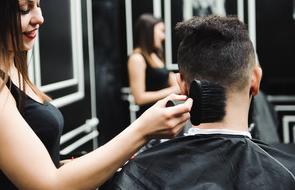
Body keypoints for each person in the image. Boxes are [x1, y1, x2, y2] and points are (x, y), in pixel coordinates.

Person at [0, 0, 192, 189]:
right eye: (24, 8)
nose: (39, 18)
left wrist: (98, 161)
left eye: (38, 4)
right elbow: (49, 185)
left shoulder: (11, 71)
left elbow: (34, 168)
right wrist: (143, 130)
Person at [101, 15, 295, 189]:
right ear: (255, 80)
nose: (163, 36)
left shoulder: (139, 174)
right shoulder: (289, 175)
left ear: (184, 87)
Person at [128, 13, 181, 118]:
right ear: (148, 33)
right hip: (151, 117)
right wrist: (172, 91)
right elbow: (139, 98)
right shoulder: (137, 59)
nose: (163, 36)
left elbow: (171, 79)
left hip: (166, 114)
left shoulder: (155, 55)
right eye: (161, 31)